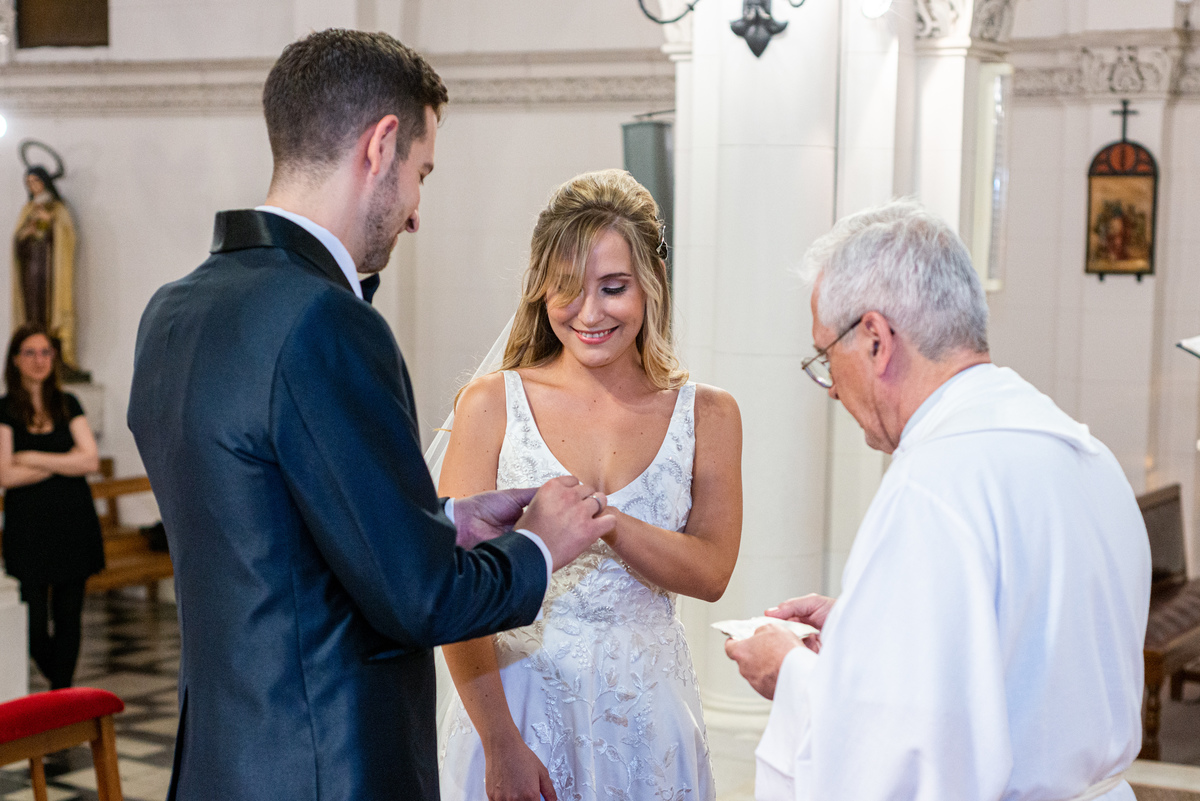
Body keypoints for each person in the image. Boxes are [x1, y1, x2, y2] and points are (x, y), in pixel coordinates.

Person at [127, 30, 614, 801]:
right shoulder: (326, 320)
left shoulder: (175, 310)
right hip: (329, 770)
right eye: (422, 172)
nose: (417, 211)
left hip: (222, 766)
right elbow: (420, 599)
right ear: (380, 145)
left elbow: (272, 528)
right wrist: (539, 547)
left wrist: (444, 520)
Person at [723, 199, 1150, 801]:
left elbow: (903, 756)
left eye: (826, 357)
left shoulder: (934, 484)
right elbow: (1033, 649)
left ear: (875, 339)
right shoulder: (1082, 453)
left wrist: (788, 673)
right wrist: (861, 623)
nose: (829, 388)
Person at [438, 169, 743, 801]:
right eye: (567, 290)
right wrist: (500, 744)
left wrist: (602, 521)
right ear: (540, 291)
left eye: (613, 288)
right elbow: (454, 591)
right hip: (518, 710)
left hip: (649, 720)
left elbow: (712, 572)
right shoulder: (492, 404)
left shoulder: (708, 414)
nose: (589, 314)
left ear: (650, 284)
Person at [0, 325, 102, 690]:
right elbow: (7, 475)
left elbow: (90, 461)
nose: (39, 360)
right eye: (30, 352)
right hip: (28, 527)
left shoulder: (68, 403)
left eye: (46, 352)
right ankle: (60, 686)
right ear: (15, 359)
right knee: (34, 620)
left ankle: (62, 692)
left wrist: (32, 456)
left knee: (70, 613)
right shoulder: (5, 409)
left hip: (73, 521)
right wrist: (63, 460)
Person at [12, 166, 81, 374]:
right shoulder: (27, 210)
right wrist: (27, 232)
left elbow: (67, 235)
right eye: (29, 183)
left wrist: (50, 223)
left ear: (45, 182)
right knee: (33, 312)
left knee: (53, 311)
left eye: (36, 182)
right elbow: (18, 241)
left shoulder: (57, 208)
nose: (32, 186)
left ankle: (58, 354)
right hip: (31, 270)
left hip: (51, 271)